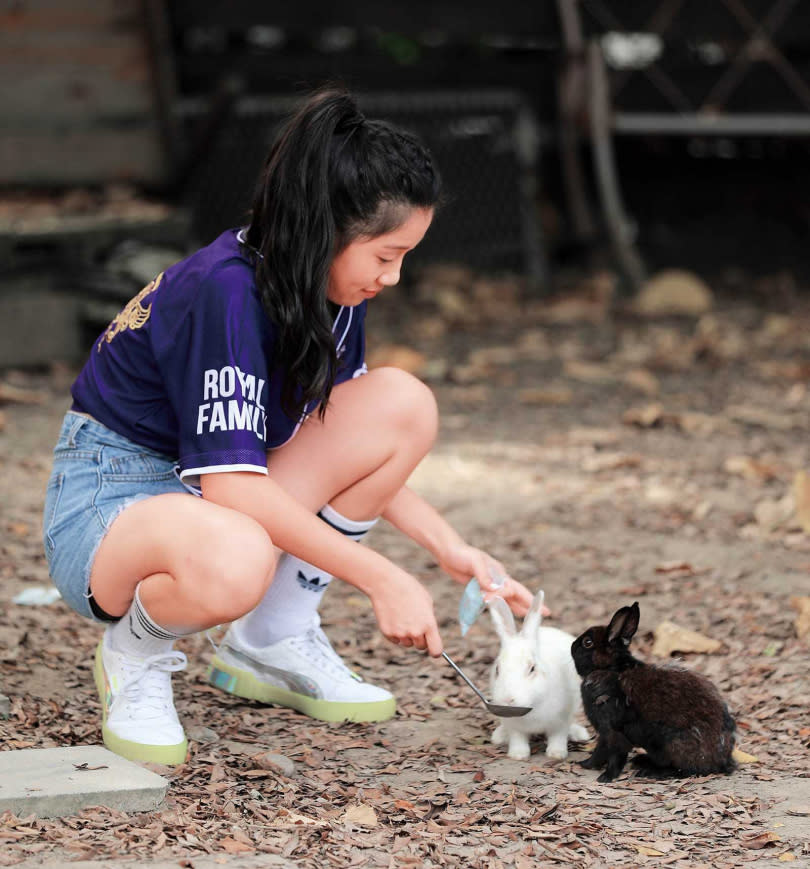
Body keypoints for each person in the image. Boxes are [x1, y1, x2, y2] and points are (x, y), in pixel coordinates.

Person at [42, 85, 534, 766]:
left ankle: (271, 636)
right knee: (235, 551)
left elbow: (352, 455)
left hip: (212, 490)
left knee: (401, 403)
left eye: (404, 257)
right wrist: (380, 576)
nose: (393, 278)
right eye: (386, 254)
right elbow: (233, 491)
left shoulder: (330, 287)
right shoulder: (226, 291)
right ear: (324, 229)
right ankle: (136, 649)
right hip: (111, 496)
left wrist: (452, 551)